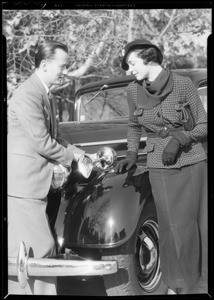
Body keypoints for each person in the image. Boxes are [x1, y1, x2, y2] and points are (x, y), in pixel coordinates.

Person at [115, 38, 207, 294]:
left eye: (132, 63)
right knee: (170, 227)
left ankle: (198, 286)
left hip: (192, 162)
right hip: (159, 165)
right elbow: (133, 126)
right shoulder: (133, 90)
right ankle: (176, 284)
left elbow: (203, 124)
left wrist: (180, 139)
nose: (129, 70)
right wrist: (132, 153)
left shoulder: (182, 84)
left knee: (195, 226)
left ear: (149, 59)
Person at [7, 40, 94, 295]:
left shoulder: (45, 93)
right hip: (25, 186)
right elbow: (41, 142)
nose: (65, 71)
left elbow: (55, 136)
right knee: (38, 249)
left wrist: (78, 152)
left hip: (35, 184)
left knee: (28, 251)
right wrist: (72, 158)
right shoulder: (28, 95)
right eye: (62, 66)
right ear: (44, 65)